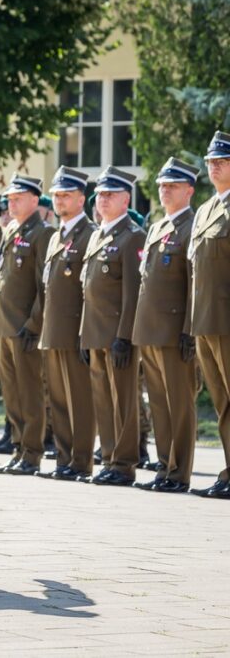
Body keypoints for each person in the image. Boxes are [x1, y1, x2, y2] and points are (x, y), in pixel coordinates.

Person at [0, 174, 55, 475]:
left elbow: (43, 285)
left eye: (18, 198)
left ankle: (32, 452)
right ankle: (18, 447)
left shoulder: (42, 233)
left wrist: (34, 324)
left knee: (30, 392)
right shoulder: (12, 228)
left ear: (34, 200)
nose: (11, 202)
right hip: (4, 325)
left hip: (24, 327)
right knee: (11, 392)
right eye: (9, 198)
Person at [132, 158, 199, 493]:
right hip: (150, 330)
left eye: (172, 185)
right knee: (158, 402)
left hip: (175, 333)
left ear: (189, 190)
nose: (165, 190)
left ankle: (180, 471)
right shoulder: (157, 227)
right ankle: (164, 467)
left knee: (180, 403)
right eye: (162, 184)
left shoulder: (191, 226)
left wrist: (189, 328)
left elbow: (193, 283)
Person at [77, 166, 146, 487]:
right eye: (100, 195)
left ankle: (124, 462)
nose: (102, 200)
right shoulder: (98, 235)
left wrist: (124, 336)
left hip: (117, 335)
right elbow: (86, 288)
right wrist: (82, 333)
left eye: (110, 195)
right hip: (94, 332)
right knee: (103, 401)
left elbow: (133, 292)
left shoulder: (132, 236)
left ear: (126, 199)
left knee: (123, 402)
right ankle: (108, 458)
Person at [37, 167, 96, 481]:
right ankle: (64, 459)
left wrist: (85, 332)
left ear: (81, 199)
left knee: (80, 400)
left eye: (66, 195)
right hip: (53, 331)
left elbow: (89, 291)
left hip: (75, 330)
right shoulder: (55, 235)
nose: (60, 200)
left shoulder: (89, 234)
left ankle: (82, 461)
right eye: (57, 195)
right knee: (59, 400)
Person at [188, 132, 230, 499]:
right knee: (221, 401)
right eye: (210, 161)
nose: (213, 166)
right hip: (205, 321)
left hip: (227, 322)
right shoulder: (205, 210)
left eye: (222, 161)